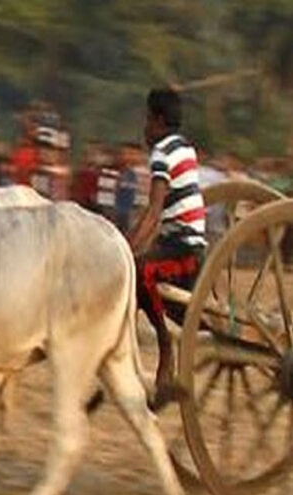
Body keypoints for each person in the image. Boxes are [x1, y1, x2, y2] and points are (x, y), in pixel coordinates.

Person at [129, 87, 206, 410]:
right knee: (138, 270)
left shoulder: (161, 152)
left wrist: (126, 250)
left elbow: (155, 211)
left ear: (158, 120)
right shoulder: (185, 147)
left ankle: (165, 348)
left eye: (147, 118)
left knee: (139, 273)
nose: (144, 126)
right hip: (187, 247)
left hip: (183, 254)